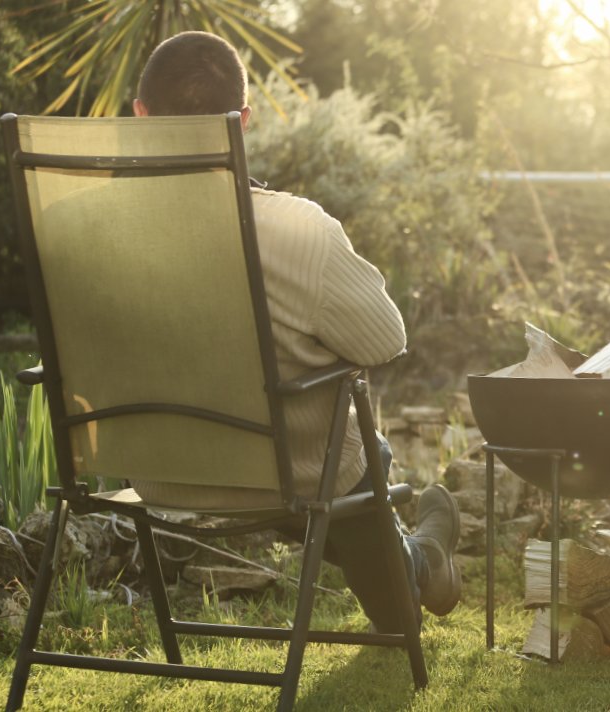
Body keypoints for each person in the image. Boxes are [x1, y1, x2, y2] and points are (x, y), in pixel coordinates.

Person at [129, 30, 460, 630]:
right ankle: (421, 559)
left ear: (140, 114)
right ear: (244, 120)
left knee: (351, 460)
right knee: (360, 453)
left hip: (157, 472)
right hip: (288, 469)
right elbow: (384, 339)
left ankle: (421, 560)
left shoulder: (84, 228)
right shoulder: (296, 230)